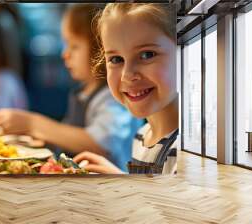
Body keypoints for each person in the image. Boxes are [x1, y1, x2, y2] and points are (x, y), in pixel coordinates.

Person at [0, 4, 143, 171]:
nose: (65, 54)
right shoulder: (82, 92)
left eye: (74, 46)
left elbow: (102, 144)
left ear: (100, 50)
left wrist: (33, 124)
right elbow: (67, 136)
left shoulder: (114, 96)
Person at [74, 3, 179, 175]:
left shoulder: (185, 151)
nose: (127, 75)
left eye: (147, 55)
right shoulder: (142, 136)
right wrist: (119, 177)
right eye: (116, 59)